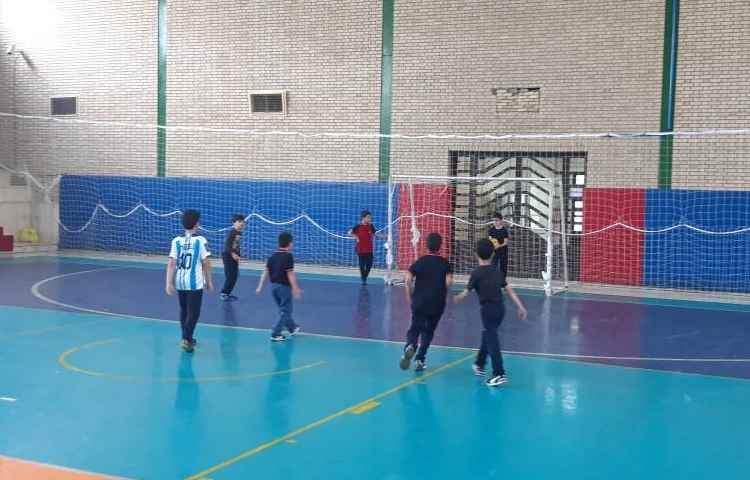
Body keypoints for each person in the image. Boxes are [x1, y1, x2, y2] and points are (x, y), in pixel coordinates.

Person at [454, 238, 527, 387]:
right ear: (493, 254)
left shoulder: (476, 273)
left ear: (476, 254)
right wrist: (520, 307)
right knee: (488, 333)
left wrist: (457, 297)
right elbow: (509, 290)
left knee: (492, 339)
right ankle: (480, 364)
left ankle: (499, 373)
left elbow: (466, 292)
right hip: (500, 309)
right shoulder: (497, 271)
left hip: (487, 310)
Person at [399, 232, 453, 372]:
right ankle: (420, 359)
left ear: (426, 245)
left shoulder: (420, 261)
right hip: (437, 303)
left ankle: (411, 345)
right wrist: (445, 294)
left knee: (415, 327)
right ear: (440, 246)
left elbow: (408, 279)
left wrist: (409, 295)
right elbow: (448, 282)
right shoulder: (445, 263)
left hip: (420, 301)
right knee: (428, 331)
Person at [166, 209, 213, 353]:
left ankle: (187, 338)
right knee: (194, 313)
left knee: (184, 310)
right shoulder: (200, 240)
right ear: (196, 224)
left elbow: (171, 263)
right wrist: (209, 281)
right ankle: (186, 339)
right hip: (195, 283)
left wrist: (168, 282)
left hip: (180, 282)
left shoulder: (176, 241)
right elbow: (206, 263)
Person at [256, 232, 302, 341]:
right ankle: (276, 333)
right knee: (286, 311)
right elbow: (290, 274)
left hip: (274, 288)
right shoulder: (288, 256)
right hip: (284, 288)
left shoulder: (272, 257)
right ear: (290, 244)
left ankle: (292, 327)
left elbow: (265, 272)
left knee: (283, 309)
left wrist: (259, 286)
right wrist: (295, 288)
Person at [348, 210, 383, 285]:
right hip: (360, 249)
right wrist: (356, 237)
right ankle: (363, 279)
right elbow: (349, 233)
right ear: (363, 218)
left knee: (369, 265)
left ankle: (364, 277)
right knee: (362, 265)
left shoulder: (371, 226)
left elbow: (375, 234)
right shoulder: (358, 226)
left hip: (369, 249)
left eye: (370, 217)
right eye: (368, 217)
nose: (370, 219)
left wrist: (383, 237)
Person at [220, 214, 246, 301]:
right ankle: (223, 294)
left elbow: (236, 246)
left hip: (233, 256)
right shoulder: (232, 232)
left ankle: (227, 293)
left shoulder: (239, 233)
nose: (241, 223)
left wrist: (238, 255)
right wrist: (233, 254)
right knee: (230, 276)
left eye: (243, 222)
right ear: (234, 223)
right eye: (239, 221)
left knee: (234, 276)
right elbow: (227, 245)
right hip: (228, 256)